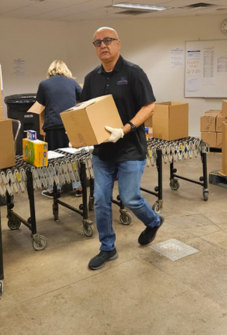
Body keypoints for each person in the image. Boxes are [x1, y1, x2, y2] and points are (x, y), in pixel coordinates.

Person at [82, 27, 163, 271]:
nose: (103, 45)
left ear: (118, 44)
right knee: (100, 200)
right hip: (102, 153)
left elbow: (149, 106)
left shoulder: (134, 73)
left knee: (129, 198)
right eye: (97, 42)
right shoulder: (91, 78)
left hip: (129, 149)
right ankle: (108, 248)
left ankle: (154, 221)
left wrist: (125, 128)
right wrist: (85, 134)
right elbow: (84, 108)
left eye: (107, 40)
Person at [35, 60, 83, 198]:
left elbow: (41, 102)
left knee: (54, 157)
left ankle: (53, 188)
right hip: (70, 124)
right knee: (72, 156)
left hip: (53, 124)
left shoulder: (44, 84)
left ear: (51, 70)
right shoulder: (72, 82)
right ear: (65, 69)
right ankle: (78, 186)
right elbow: (82, 97)